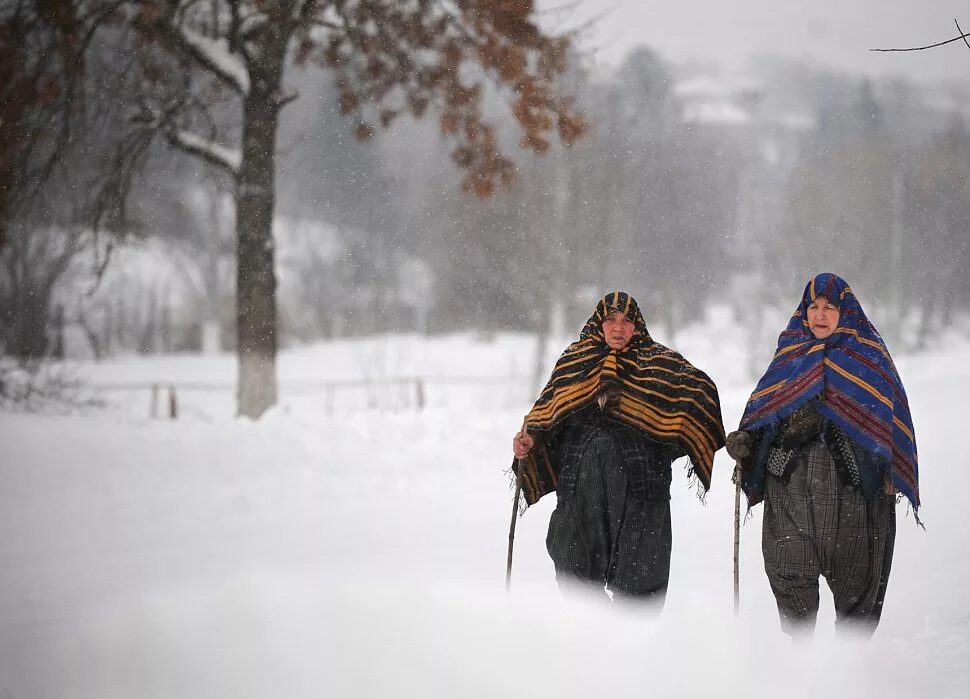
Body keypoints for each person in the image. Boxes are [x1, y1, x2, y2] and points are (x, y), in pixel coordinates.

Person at [726, 273, 919, 639]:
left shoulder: (870, 359)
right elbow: (765, 413)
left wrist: (890, 469)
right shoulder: (791, 353)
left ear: (846, 313)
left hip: (854, 500)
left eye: (830, 307)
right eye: (813, 307)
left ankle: (847, 683)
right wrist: (746, 443)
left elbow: (889, 427)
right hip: (791, 494)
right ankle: (800, 682)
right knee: (792, 591)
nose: (820, 315)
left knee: (856, 612)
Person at [511, 291, 724, 609]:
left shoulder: (660, 365)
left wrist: (667, 443)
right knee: (576, 579)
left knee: (641, 589)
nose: (618, 328)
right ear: (599, 324)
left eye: (626, 321)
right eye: (610, 320)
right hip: (580, 488)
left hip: (641, 490)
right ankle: (595, 644)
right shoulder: (574, 362)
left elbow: (700, 397)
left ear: (637, 326)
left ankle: (630, 652)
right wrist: (529, 442)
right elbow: (546, 418)